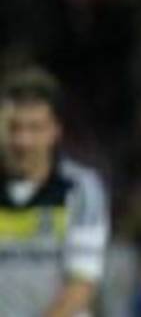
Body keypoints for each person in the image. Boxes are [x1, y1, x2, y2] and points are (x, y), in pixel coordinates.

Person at [0, 66, 110, 317]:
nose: (23, 141)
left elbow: (81, 283)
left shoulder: (81, 188)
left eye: (35, 128)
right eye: (15, 128)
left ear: (55, 131)